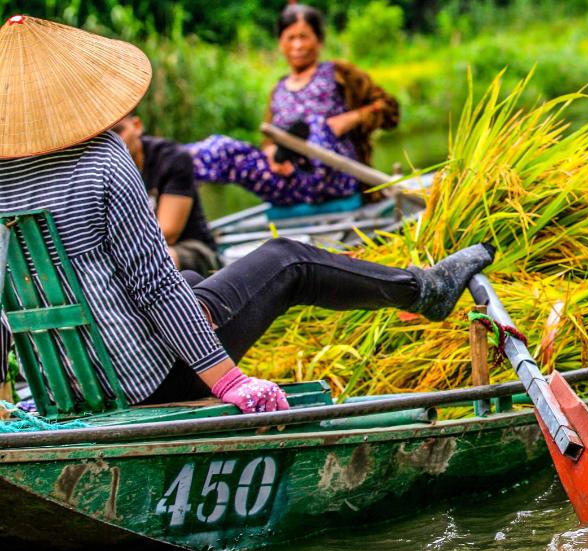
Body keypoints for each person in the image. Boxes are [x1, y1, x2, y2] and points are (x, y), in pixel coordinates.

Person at [0, 16, 494, 414]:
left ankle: (418, 289)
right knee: (287, 260)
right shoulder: (102, 157)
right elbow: (153, 284)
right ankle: (426, 291)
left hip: (63, 391)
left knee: (194, 277)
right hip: (149, 382)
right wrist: (229, 381)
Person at [187, 3, 399, 206]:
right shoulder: (278, 90)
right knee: (220, 149)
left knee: (314, 125)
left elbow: (389, 108)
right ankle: (166, 164)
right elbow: (268, 141)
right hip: (290, 184)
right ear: (280, 43)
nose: (297, 45)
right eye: (290, 38)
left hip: (334, 177)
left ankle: (306, 140)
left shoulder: (339, 74)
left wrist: (349, 119)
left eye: (304, 37)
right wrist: (273, 157)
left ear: (319, 40)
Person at [113, 112, 222, 276]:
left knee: (157, 258)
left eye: (118, 131)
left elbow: (167, 234)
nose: (115, 143)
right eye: (106, 139)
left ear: (137, 126)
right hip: (133, 256)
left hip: (192, 250)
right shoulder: (105, 172)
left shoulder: (172, 158)